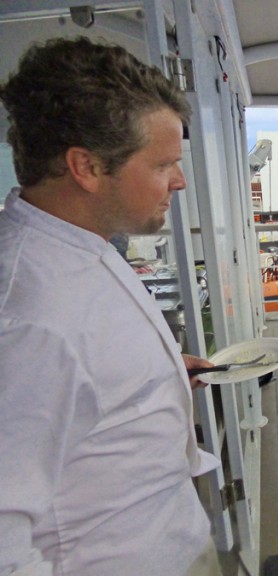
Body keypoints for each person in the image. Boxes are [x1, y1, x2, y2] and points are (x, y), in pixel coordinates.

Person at [0, 37, 222, 575]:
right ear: (87, 167)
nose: (180, 179)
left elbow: (85, 380)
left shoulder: (82, 242)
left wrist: (159, 375)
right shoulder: (28, 315)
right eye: (163, 162)